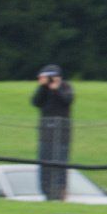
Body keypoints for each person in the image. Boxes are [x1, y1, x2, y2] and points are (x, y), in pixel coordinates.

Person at [31, 64, 75, 201]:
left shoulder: (66, 87)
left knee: (60, 164)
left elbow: (67, 100)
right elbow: (36, 102)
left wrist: (56, 89)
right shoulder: (44, 90)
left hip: (61, 135)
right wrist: (43, 87)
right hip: (46, 135)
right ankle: (46, 193)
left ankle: (60, 193)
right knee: (44, 164)